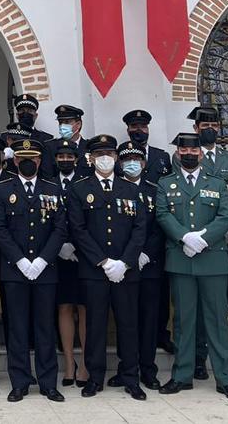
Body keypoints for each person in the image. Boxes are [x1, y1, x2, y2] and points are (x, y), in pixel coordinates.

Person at [156, 133, 228, 401]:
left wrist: (202, 239)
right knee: (183, 321)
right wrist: (184, 237)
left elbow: (226, 217)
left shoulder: (217, 184)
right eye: (184, 150)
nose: (189, 154)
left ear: (201, 154)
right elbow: (162, 214)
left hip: (213, 260)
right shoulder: (165, 183)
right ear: (177, 154)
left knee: (217, 321)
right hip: (181, 260)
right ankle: (182, 376)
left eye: (194, 150)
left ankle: (225, 378)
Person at [67, 134, 147, 400]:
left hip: (126, 271)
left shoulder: (132, 190)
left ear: (116, 158)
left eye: (109, 154)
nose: (105, 159)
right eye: (99, 154)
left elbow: (139, 229)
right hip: (94, 270)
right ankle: (95, 377)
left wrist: (124, 262)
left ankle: (130, 377)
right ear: (90, 159)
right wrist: (103, 261)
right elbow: (78, 230)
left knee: (128, 325)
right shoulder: (79, 189)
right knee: (96, 325)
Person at [0, 139, 67, 403]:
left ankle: (48, 383)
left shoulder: (52, 188)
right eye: (22, 157)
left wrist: (43, 260)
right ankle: (20, 382)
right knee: (18, 329)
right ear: (14, 161)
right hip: (15, 270)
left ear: (39, 161)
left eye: (32, 158)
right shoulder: (2, 190)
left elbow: (60, 228)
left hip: (46, 270)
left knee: (45, 327)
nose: (27, 162)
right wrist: (21, 261)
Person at [190, 105, 228, 379]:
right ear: (196, 129)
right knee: (203, 304)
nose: (209, 130)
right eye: (204, 127)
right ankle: (200, 358)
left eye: (214, 125)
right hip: (201, 242)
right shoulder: (186, 156)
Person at [123, 109, 174, 354]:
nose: (139, 130)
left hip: (155, 250)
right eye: (134, 127)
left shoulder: (162, 157)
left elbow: (162, 213)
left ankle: (161, 335)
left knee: (159, 299)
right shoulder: (121, 160)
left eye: (142, 126)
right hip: (127, 253)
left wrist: (148, 251)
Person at [118, 141, 165, 389]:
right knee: (126, 321)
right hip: (124, 267)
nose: (132, 164)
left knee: (148, 321)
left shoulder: (155, 190)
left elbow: (160, 225)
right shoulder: (115, 189)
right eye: (126, 160)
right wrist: (126, 257)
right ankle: (126, 369)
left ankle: (148, 370)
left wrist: (146, 253)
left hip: (149, 266)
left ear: (144, 163)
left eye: (136, 160)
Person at [48, 138, 87, 388]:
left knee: (84, 309)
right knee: (64, 307)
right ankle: (69, 363)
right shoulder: (49, 184)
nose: (64, 160)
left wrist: (78, 245)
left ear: (76, 159)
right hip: (57, 255)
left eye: (69, 156)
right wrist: (60, 245)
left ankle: (84, 364)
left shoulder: (85, 184)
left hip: (84, 255)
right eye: (60, 157)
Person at [42, 105, 87, 178]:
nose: (62, 126)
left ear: (78, 124)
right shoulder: (50, 147)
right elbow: (47, 177)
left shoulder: (89, 147)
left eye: (67, 122)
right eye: (60, 122)